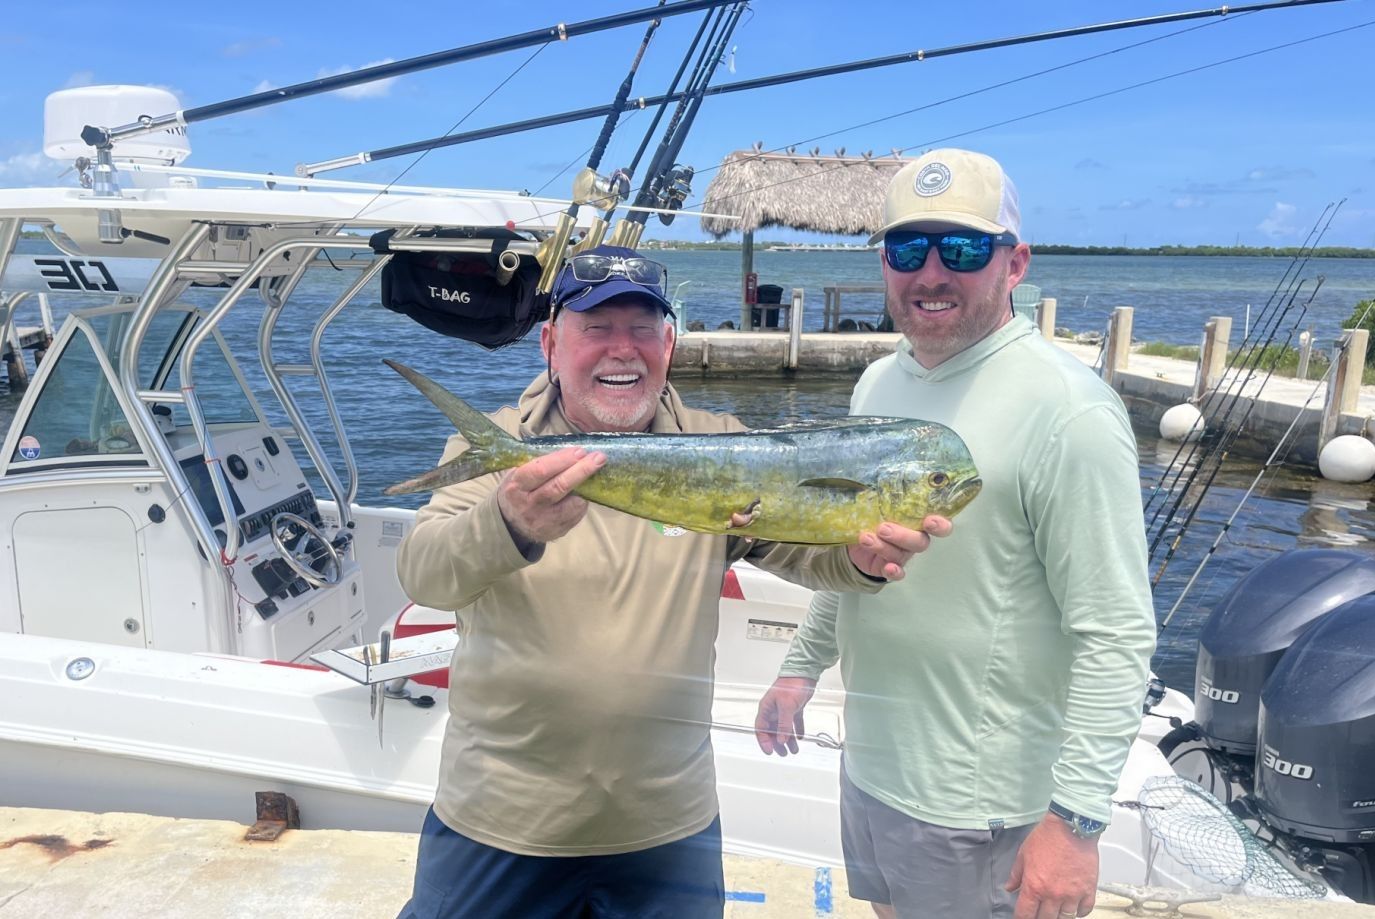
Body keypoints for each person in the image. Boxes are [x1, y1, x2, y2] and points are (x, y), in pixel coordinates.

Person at [393, 245, 951, 919]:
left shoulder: (725, 447)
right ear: (550, 343)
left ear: (669, 346)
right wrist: (507, 522)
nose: (622, 349)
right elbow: (425, 573)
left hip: (667, 825)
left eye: (642, 330)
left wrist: (863, 559)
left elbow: (807, 555)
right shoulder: (498, 450)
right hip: (500, 818)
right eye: (597, 328)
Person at [754, 150, 1157, 919]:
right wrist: (801, 667)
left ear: (1016, 263)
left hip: (980, 808)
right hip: (871, 765)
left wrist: (1075, 821)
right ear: (884, 262)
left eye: (964, 248)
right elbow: (855, 556)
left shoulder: (1071, 411)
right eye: (909, 248)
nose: (931, 272)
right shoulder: (880, 382)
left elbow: (1116, 633)